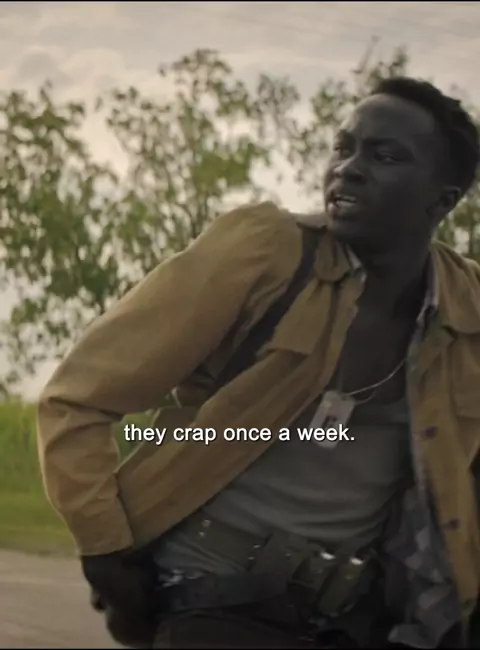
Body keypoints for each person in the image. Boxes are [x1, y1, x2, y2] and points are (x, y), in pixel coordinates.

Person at [36, 76, 480, 649]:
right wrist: (106, 553)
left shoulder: (465, 309)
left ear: (442, 200)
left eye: (385, 156)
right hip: (214, 591)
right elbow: (77, 397)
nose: (348, 169)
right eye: (343, 148)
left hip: (360, 617)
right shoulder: (267, 253)